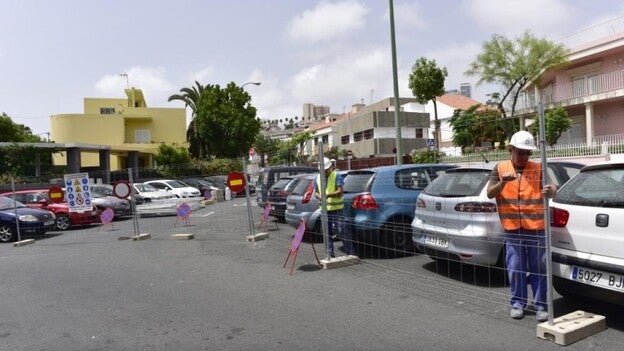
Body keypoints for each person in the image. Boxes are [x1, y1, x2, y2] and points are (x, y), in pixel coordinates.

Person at [486, 131, 556, 322]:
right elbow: (490, 193)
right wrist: (502, 182)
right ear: (511, 150)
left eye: (527, 153)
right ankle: (517, 304)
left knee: (539, 268)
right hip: (512, 229)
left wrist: (551, 190)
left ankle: (542, 306)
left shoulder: (540, 168)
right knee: (516, 267)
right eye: (520, 152)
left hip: (537, 228)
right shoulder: (500, 168)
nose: (524, 156)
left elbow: (553, 189)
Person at [315, 157, 355, 258]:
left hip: (337, 210)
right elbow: (316, 192)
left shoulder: (336, 176)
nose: (324, 172)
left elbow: (340, 191)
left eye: (326, 170)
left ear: (330, 168)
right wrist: (319, 196)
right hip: (324, 210)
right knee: (327, 232)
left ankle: (350, 253)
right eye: (322, 170)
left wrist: (328, 195)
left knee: (342, 231)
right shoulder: (318, 178)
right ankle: (330, 254)